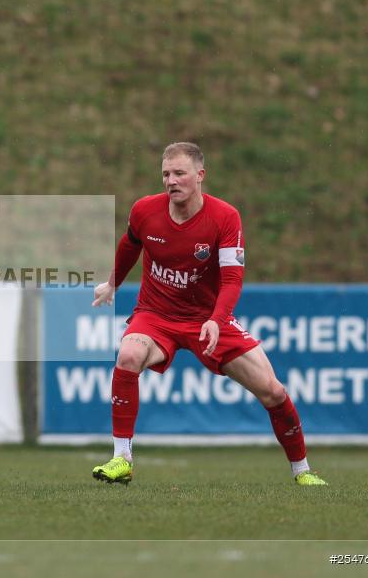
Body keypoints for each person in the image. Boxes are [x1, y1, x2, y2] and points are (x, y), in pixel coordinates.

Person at [91, 142, 326, 486]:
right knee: (128, 354)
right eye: (166, 174)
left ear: (200, 175)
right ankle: (121, 458)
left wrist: (216, 319)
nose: (171, 181)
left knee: (273, 392)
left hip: (208, 318)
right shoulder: (144, 210)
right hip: (156, 315)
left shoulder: (225, 217)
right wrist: (113, 283)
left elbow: (232, 278)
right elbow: (130, 245)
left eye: (179, 173)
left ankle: (302, 471)